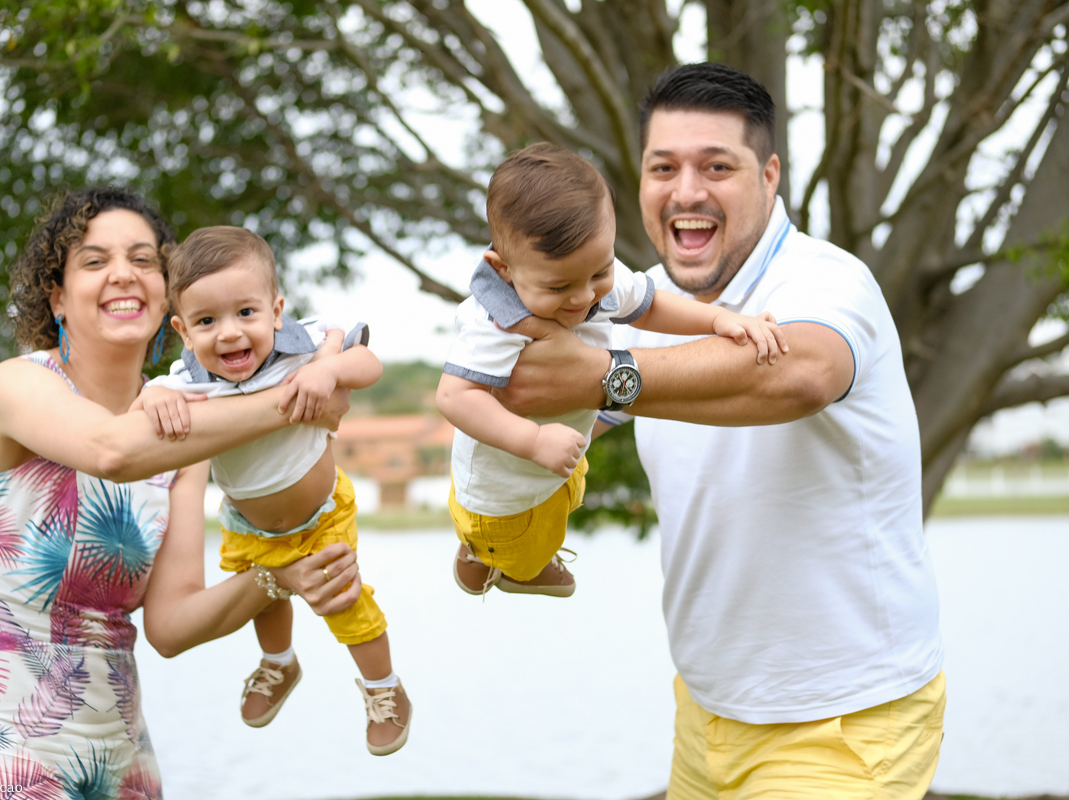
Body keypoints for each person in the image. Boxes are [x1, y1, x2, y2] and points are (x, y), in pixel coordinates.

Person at [497, 64, 945, 798]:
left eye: (717, 167)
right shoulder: (638, 301)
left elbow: (798, 374)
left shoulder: (828, 281)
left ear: (770, 176)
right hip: (706, 713)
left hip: (847, 718)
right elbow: (547, 409)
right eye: (663, 167)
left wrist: (604, 376)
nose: (687, 192)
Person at [0, 187, 363, 799]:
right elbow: (112, 451)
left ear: (167, 300)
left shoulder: (187, 436)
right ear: (56, 296)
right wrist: (301, 395)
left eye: (143, 259)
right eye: (95, 261)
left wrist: (280, 575)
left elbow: (172, 626)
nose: (123, 275)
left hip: (120, 747)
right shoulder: (15, 386)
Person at [437, 142, 784, 598]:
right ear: (503, 271)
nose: (584, 297)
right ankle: (497, 560)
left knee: (568, 496)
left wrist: (718, 319)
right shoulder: (493, 325)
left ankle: (494, 553)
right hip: (505, 494)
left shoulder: (586, 268)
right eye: (559, 286)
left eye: (599, 273)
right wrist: (533, 440)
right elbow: (453, 396)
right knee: (524, 542)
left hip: (554, 463)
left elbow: (649, 303)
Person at [139, 226, 412, 755]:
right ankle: (280, 664)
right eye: (206, 321)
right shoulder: (185, 380)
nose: (230, 334)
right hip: (246, 523)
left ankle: (385, 689)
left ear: (276, 310)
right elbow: (141, 410)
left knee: (343, 601)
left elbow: (369, 364)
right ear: (182, 330)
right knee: (262, 597)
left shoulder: (305, 347)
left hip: (321, 515)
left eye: (246, 313)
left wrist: (329, 370)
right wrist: (153, 401)